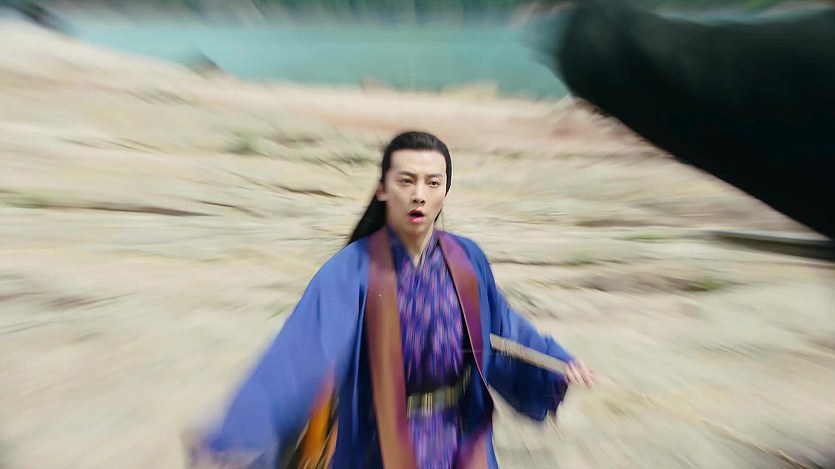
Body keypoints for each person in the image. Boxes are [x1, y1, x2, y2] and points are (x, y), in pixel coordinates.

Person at [188, 131, 596, 469]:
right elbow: (301, 351)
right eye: (406, 181)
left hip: (462, 432)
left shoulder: (466, 257)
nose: (419, 195)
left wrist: (556, 360)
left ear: (446, 191)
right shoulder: (351, 270)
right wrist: (239, 431)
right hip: (381, 439)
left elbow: (501, 324)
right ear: (383, 189)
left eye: (432, 183)